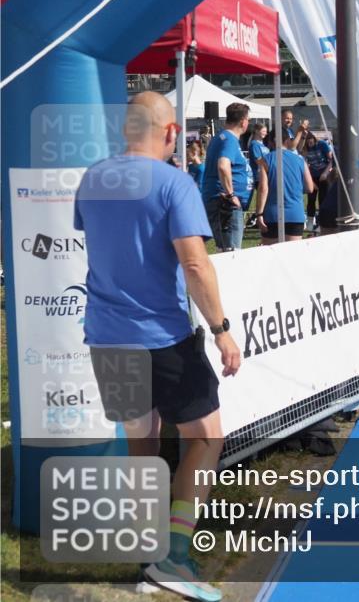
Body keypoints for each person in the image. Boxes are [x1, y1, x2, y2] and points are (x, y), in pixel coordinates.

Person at [74, 92, 241, 602]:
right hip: (162, 338)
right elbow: (194, 264)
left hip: (106, 336)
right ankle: (173, 556)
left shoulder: (93, 178)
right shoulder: (173, 182)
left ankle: (150, 550)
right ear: (171, 133)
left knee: (141, 440)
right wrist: (221, 328)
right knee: (206, 438)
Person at [201, 102, 250, 252]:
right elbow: (223, 165)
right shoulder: (229, 139)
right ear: (243, 121)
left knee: (224, 251)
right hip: (225, 204)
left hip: (218, 201)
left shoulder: (221, 137)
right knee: (231, 255)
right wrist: (231, 195)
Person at [256, 128, 314, 245]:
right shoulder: (300, 160)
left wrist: (259, 214)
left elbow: (263, 188)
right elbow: (309, 187)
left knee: (271, 257)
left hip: (272, 215)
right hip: (295, 214)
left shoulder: (264, 160)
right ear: (287, 140)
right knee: (292, 258)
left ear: (271, 142)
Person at [302, 132, 332, 232]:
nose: (309, 142)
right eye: (307, 140)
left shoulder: (322, 145)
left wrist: (325, 173)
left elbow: (332, 160)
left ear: (314, 139)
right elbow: (305, 165)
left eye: (311, 139)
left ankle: (321, 223)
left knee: (323, 200)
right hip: (312, 176)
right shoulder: (305, 149)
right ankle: (310, 223)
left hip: (324, 176)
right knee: (311, 199)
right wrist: (310, 180)